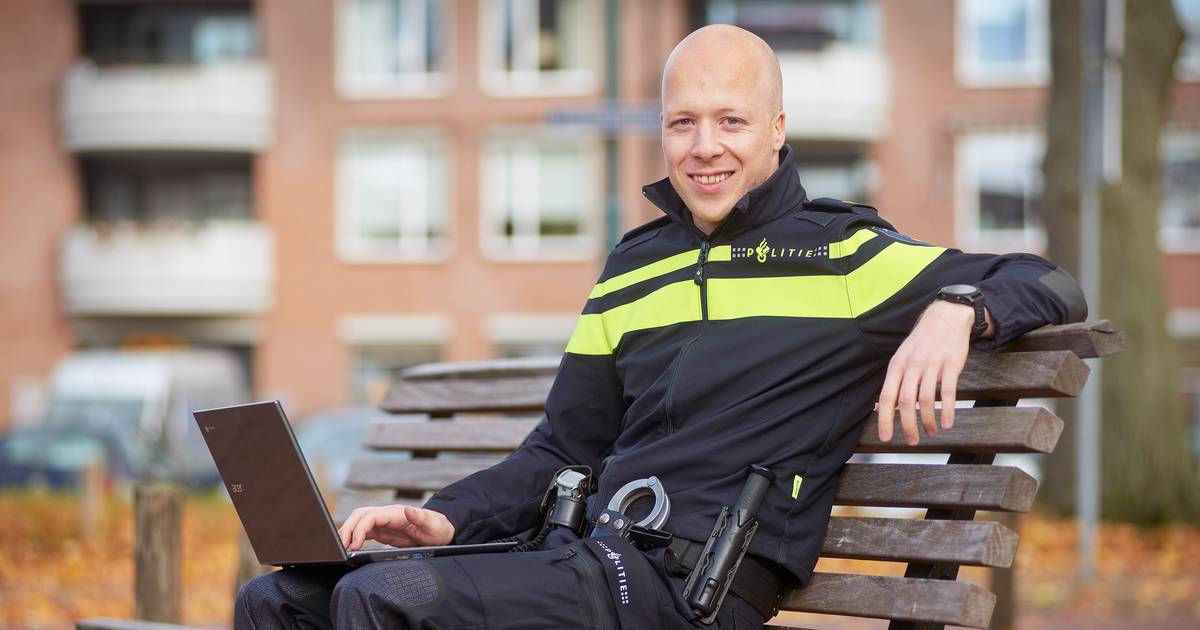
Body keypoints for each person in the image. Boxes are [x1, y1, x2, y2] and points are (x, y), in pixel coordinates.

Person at [235, 24, 1086, 630]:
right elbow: (562, 447)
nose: (704, 147)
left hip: (698, 589)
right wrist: (446, 518)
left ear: (777, 130)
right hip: (589, 560)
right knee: (276, 600)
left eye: (730, 121)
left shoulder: (845, 256)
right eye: (683, 122)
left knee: (385, 601)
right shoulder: (633, 268)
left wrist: (956, 307)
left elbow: (1048, 280)